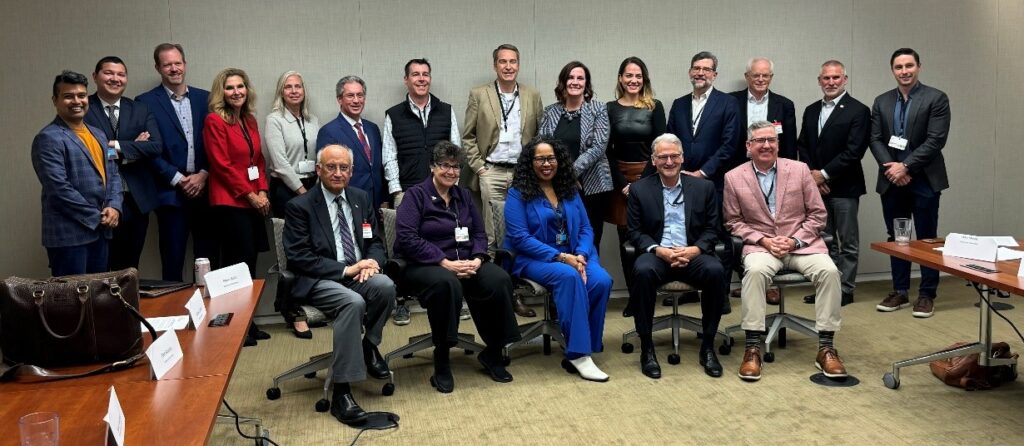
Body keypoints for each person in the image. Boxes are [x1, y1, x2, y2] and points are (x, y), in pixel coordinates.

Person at [723, 121, 846, 382]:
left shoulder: (800, 170)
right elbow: (733, 221)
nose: (766, 145)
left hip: (802, 244)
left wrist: (795, 241)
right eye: (759, 141)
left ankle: (826, 346)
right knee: (754, 272)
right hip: (761, 246)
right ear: (749, 146)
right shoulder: (733, 177)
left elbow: (817, 215)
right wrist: (764, 241)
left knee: (830, 272)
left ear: (778, 144)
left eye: (771, 140)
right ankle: (753, 347)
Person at [394, 141, 521, 393]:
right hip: (424, 265)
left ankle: (493, 352)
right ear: (432, 167)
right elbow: (407, 238)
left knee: (498, 279)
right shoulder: (415, 195)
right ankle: (442, 359)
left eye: (456, 167)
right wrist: (444, 261)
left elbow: (479, 232)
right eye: (445, 166)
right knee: (446, 284)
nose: (451, 172)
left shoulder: (462, 195)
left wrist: (477, 258)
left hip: (465, 260)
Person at [283, 144, 396, 426]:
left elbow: (376, 242)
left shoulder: (360, 198)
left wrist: (372, 263)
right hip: (320, 279)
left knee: (385, 286)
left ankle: (369, 346)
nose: (337, 173)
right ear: (318, 170)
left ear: (351, 171)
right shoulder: (300, 206)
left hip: (359, 274)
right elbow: (299, 257)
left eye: (343, 167)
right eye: (331, 167)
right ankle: (342, 392)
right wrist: (346, 269)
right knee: (352, 302)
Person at [503, 137, 614, 382]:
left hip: (576, 254)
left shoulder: (570, 189)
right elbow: (519, 237)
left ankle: (589, 343)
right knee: (569, 276)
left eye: (551, 158)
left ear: (559, 161)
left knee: (602, 281)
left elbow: (586, 228)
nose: (546, 164)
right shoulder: (517, 193)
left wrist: (582, 255)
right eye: (540, 159)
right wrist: (562, 258)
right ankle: (579, 354)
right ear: (529, 163)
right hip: (536, 257)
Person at [627, 133, 725, 379]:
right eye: (662, 157)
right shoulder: (640, 189)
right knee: (642, 271)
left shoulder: (704, 187)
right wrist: (659, 250)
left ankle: (708, 346)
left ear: (682, 158)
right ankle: (647, 348)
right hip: (658, 254)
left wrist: (695, 250)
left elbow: (714, 228)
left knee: (715, 270)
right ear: (653, 160)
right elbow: (635, 232)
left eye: (674, 156)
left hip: (693, 253)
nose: (669, 161)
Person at [869, 48, 951, 318]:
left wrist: (906, 165)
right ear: (892, 70)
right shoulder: (881, 101)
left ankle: (927, 293)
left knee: (927, 239)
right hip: (892, 180)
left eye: (909, 66)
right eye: (898, 67)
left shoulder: (936, 98)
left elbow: (935, 140)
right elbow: (875, 139)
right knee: (898, 237)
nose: (904, 71)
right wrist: (893, 169)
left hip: (924, 179)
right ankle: (900, 291)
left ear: (919, 67)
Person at [136, 43, 218, 282]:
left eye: (177, 63)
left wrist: (204, 174)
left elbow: (218, 142)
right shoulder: (145, 102)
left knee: (209, 260)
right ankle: (174, 317)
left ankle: (211, 315)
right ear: (158, 68)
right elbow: (147, 150)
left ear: (185, 64)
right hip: (169, 193)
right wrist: (178, 178)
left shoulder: (206, 98)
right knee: (172, 262)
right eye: (167, 64)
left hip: (206, 190)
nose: (174, 68)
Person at [666, 51, 740, 314]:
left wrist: (703, 173)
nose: (700, 73)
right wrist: (680, 171)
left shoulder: (728, 103)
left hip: (714, 182)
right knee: (687, 233)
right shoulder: (678, 104)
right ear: (689, 72)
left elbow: (730, 144)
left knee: (718, 235)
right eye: (696, 68)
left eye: (706, 69)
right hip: (681, 181)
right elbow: (670, 142)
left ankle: (721, 294)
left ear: (715, 75)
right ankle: (689, 288)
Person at [203, 68, 271, 347]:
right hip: (230, 202)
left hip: (254, 200)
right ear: (222, 92)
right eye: (230, 88)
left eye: (240, 86)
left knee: (250, 263)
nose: (236, 92)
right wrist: (251, 195)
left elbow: (259, 160)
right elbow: (222, 165)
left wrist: (264, 190)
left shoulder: (250, 120)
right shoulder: (214, 121)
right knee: (234, 266)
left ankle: (249, 323)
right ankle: (235, 327)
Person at [31, 70, 123, 276]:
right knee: (71, 303)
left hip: (101, 232)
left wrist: (114, 207)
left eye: (81, 95)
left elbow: (114, 173)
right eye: (68, 96)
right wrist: (98, 217)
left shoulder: (101, 134)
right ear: (55, 100)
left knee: (97, 298)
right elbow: (58, 189)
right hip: (69, 236)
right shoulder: (47, 138)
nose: (77, 101)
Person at [797, 60, 870, 307]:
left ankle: (846, 289)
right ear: (819, 81)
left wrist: (824, 175)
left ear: (845, 80)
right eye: (826, 78)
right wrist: (812, 177)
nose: (831, 82)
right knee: (824, 242)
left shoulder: (858, 110)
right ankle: (827, 288)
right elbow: (802, 145)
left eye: (836, 78)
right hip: (815, 188)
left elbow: (854, 151)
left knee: (847, 242)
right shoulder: (810, 110)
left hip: (845, 187)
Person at [461, 44, 543, 256]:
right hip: (491, 171)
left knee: (521, 224)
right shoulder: (479, 94)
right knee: (491, 231)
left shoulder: (532, 95)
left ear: (519, 64)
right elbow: (468, 136)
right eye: (503, 61)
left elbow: (540, 136)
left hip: (521, 172)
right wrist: (480, 168)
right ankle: (490, 269)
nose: (508, 66)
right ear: (495, 65)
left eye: (512, 61)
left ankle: (517, 274)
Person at [84, 56, 162, 272]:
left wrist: (115, 146)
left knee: (130, 266)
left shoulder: (139, 109)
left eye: (121, 74)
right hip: (100, 199)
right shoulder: (84, 108)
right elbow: (88, 151)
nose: (115, 78)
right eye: (109, 73)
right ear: (95, 76)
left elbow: (155, 146)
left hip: (136, 199)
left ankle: (127, 306)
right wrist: (132, 148)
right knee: (101, 266)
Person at [606, 57, 666, 292]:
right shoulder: (609, 108)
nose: (633, 80)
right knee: (626, 239)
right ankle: (633, 294)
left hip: (650, 175)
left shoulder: (654, 106)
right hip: (620, 179)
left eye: (638, 76)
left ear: (644, 80)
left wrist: (641, 183)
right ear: (621, 78)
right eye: (628, 75)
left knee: (651, 234)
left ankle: (650, 290)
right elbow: (606, 150)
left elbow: (660, 147)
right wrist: (622, 183)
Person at [539, 61, 612, 248]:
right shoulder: (550, 111)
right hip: (556, 184)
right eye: (571, 77)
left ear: (586, 84)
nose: (575, 82)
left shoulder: (598, 109)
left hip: (592, 186)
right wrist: (563, 176)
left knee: (590, 239)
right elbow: (542, 146)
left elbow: (598, 146)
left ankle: (591, 276)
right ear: (563, 82)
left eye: (580, 78)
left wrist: (571, 173)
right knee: (560, 236)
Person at [383, 58, 461, 207]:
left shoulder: (446, 111)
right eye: (416, 74)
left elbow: (456, 152)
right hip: (408, 192)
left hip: (443, 191)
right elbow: (389, 157)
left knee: (444, 231)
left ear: (430, 79)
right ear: (406, 79)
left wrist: (453, 184)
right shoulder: (393, 115)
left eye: (425, 74)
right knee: (408, 231)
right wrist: (397, 191)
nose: (421, 79)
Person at [316, 76, 386, 208]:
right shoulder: (329, 131)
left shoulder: (373, 129)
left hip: (375, 204)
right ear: (339, 99)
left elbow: (378, 168)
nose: (356, 100)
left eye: (360, 95)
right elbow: (327, 174)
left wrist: (384, 199)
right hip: (347, 204)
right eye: (350, 95)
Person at [264, 70, 320, 219]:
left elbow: (321, 154)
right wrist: (303, 192)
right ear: (281, 92)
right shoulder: (274, 120)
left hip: (313, 185)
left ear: (304, 91)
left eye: (298, 86)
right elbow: (279, 163)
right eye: (288, 87)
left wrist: (316, 187)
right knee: (290, 236)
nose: (294, 91)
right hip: (286, 188)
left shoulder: (313, 120)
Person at [729, 57, 797, 163]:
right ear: (747, 76)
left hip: (773, 165)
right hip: (736, 164)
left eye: (765, 75)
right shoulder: (731, 101)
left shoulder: (785, 105)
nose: (761, 79)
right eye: (756, 75)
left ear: (771, 77)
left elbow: (790, 144)